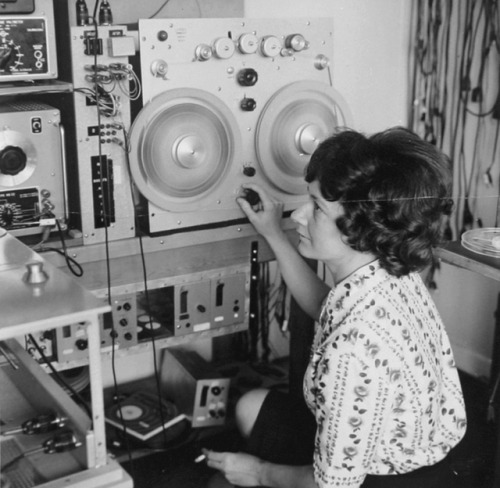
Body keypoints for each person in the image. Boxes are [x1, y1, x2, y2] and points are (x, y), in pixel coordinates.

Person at [203, 126, 467, 488]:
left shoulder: (352, 351)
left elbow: (333, 486)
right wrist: (273, 234)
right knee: (251, 406)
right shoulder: (390, 271)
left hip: (385, 478)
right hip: (420, 449)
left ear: (358, 227)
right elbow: (324, 307)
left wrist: (257, 471)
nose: (298, 215)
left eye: (317, 208)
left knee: (223, 480)